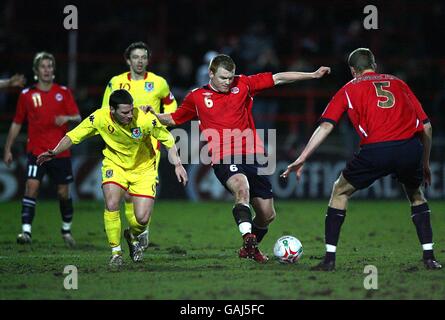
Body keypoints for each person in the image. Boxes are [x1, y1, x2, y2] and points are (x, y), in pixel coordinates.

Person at [150, 54, 330, 263]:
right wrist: (154, 115)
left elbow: (278, 78)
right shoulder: (197, 97)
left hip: (253, 155)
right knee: (241, 188)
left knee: (267, 215)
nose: (228, 82)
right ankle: (248, 237)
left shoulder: (243, 83)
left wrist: (313, 75)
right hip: (224, 156)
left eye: (230, 77)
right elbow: (174, 118)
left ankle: (249, 249)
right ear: (211, 74)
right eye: (223, 78)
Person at [281, 48, 442, 271]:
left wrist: (302, 157)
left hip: (376, 150)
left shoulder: (348, 88)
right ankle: (429, 257)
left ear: (352, 70)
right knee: (415, 195)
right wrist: (424, 162)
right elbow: (427, 126)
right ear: (374, 65)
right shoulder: (399, 82)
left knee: (340, 191)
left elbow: (326, 125)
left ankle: (329, 260)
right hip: (408, 148)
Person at [37, 89, 187, 267]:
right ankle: (116, 252)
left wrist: (178, 164)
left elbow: (168, 138)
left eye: (131, 110)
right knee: (112, 203)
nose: (130, 115)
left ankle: (132, 235)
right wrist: (55, 152)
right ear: (112, 110)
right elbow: (74, 136)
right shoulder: (100, 117)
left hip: (144, 169)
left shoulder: (144, 118)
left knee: (142, 219)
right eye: (125, 112)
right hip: (114, 165)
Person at [102, 41, 178, 250]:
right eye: (136, 57)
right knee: (126, 194)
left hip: (149, 147)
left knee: (138, 196)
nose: (140, 61)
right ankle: (134, 236)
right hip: (123, 147)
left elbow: (173, 107)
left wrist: (159, 120)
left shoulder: (159, 82)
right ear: (128, 60)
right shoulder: (115, 82)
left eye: (143, 57)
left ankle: (139, 231)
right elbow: (105, 111)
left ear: (148, 60)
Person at [3, 52, 81, 247]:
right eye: (43, 66)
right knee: (32, 187)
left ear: (53, 70)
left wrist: (67, 118)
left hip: (60, 152)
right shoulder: (26, 95)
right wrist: (8, 148)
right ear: (36, 71)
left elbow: (78, 117)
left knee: (63, 193)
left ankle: (66, 229)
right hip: (37, 152)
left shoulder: (63, 92)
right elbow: (16, 123)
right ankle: (26, 232)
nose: (47, 69)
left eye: (49, 66)